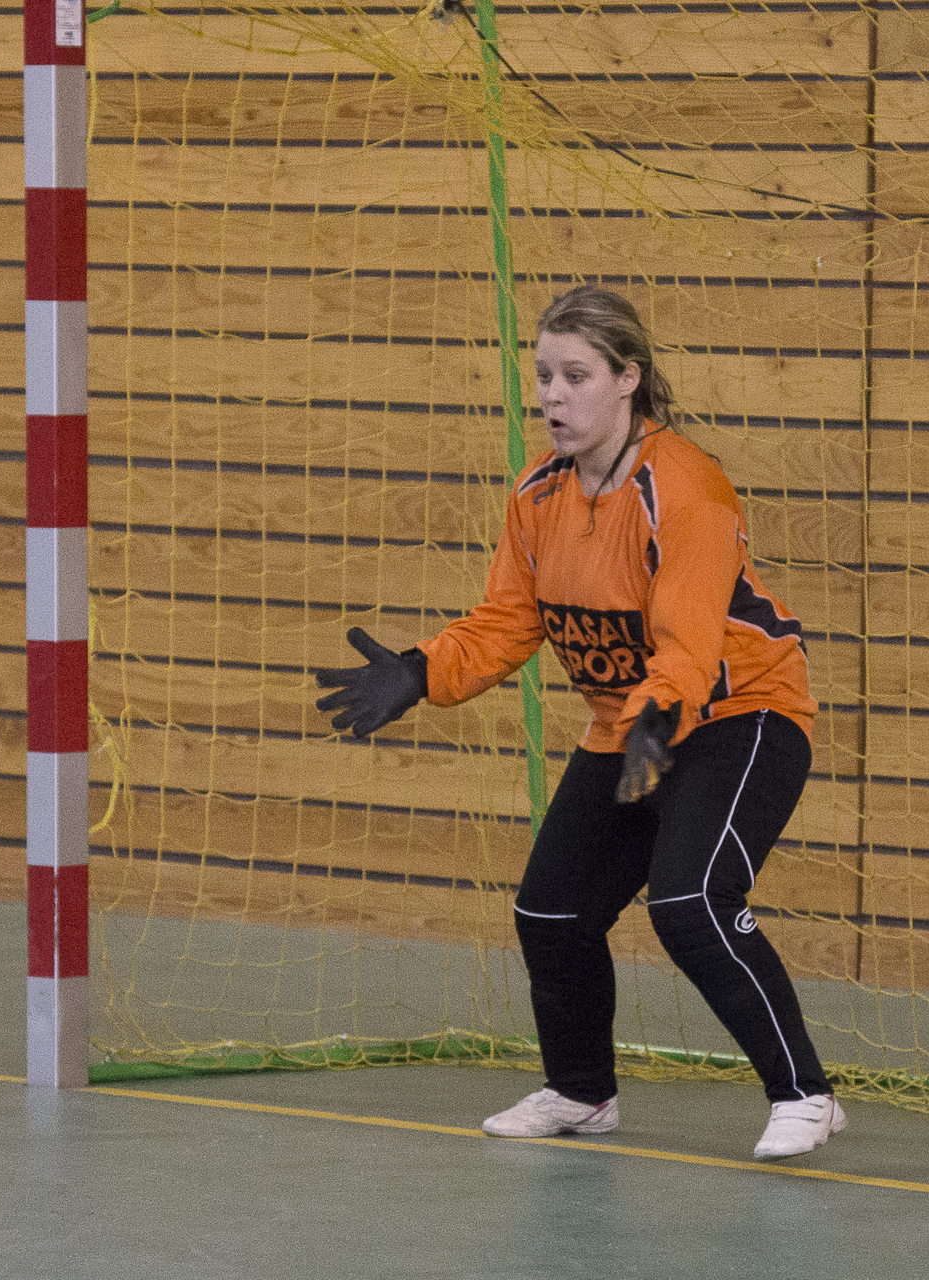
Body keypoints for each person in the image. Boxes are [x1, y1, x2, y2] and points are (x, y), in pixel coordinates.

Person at [314, 285, 843, 1160]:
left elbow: (689, 640)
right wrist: (421, 670)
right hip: (631, 726)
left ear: (628, 378)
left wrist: (659, 711)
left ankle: (804, 1094)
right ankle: (581, 1091)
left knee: (691, 900)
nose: (552, 397)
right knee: (551, 911)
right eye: (543, 377)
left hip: (739, 714)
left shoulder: (687, 489)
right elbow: (506, 623)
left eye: (575, 376)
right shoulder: (537, 494)